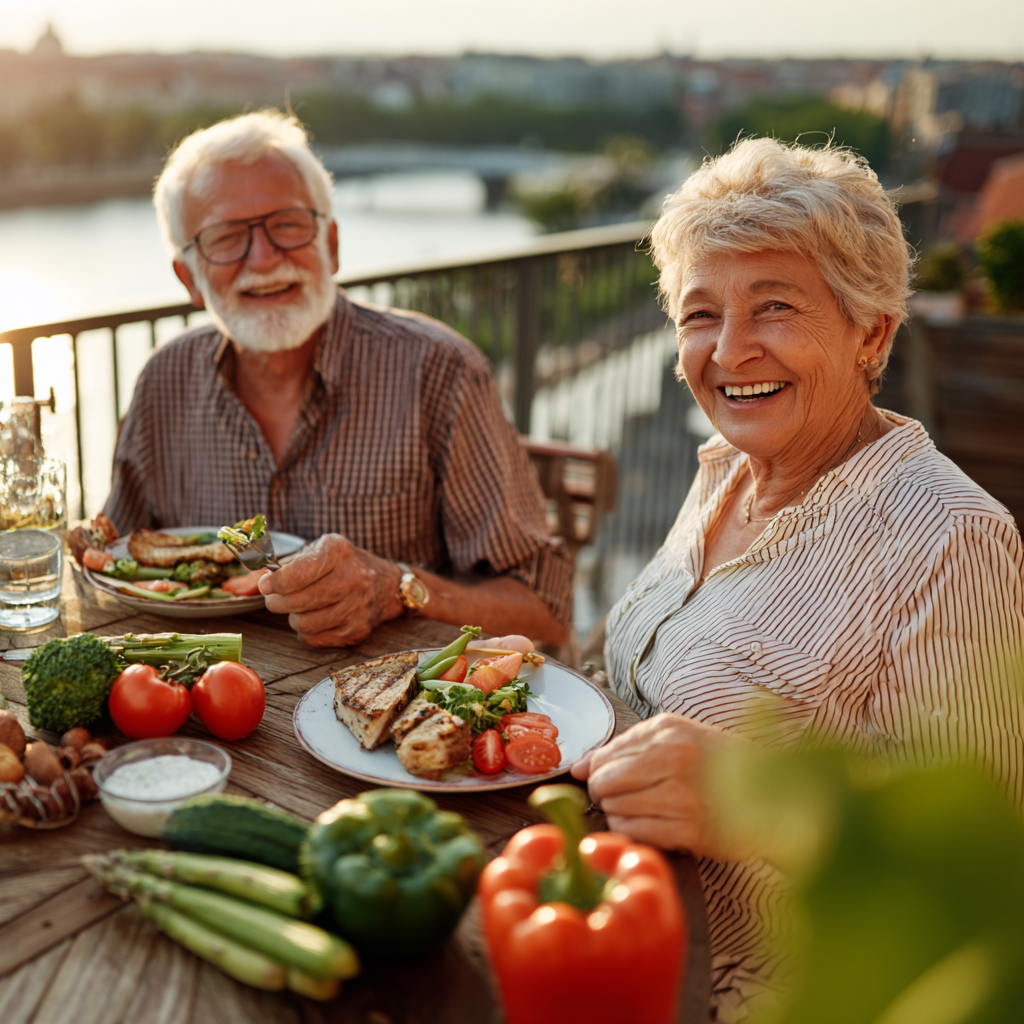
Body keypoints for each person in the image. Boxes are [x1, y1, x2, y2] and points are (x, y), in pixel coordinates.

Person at [570, 138, 1024, 1021]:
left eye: (773, 306)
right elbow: (649, 689)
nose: (731, 351)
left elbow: (978, 883)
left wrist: (755, 805)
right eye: (700, 315)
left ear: (871, 332)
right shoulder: (725, 470)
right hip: (621, 933)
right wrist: (545, 685)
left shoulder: (949, 538)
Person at [102, 111, 571, 648]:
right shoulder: (164, 382)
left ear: (332, 245)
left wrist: (399, 588)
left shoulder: (439, 372)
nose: (264, 258)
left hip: (395, 715)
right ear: (189, 279)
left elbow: (547, 613)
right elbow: (112, 562)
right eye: (226, 237)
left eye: (288, 224)